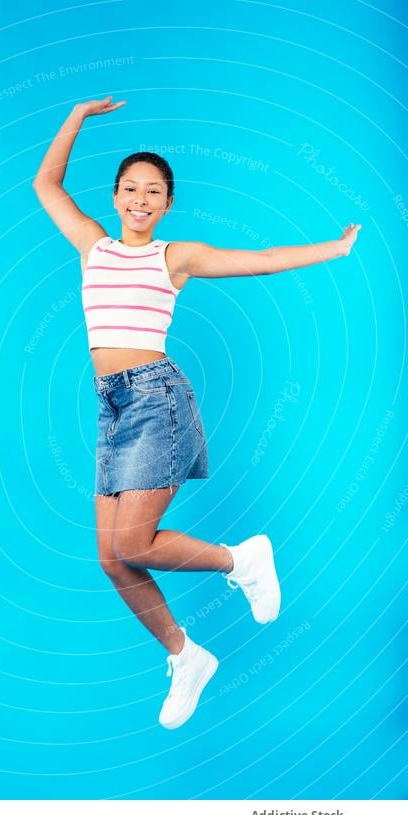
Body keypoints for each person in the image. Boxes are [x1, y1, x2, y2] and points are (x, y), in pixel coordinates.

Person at [32, 95, 362, 731]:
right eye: (130, 188)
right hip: (112, 405)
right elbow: (46, 182)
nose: (140, 199)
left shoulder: (172, 257)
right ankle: (186, 657)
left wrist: (335, 250)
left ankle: (243, 559)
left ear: (168, 203)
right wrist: (75, 116)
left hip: (156, 399)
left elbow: (256, 262)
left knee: (133, 541)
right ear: (116, 195)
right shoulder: (92, 247)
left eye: (153, 191)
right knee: (111, 557)